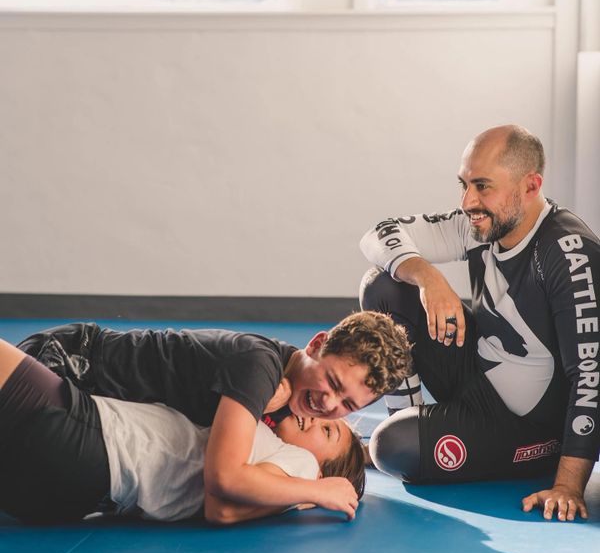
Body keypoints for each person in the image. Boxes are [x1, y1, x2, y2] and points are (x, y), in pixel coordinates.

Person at [360, 124, 600, 523]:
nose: (468, 200)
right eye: (464, 184)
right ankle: (411, 418)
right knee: (385, 283)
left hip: (527, 426)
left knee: (392, 447)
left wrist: (568, 485)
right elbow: (376, 236)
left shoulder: (568, 253)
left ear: (530, 185)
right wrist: (428, 276)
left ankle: (415, 436)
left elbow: (591, 375)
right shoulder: (481, 223)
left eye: (483, 186)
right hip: (475, 372)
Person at [14, 312, 411, 521]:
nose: (329, 404)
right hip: (70, 363)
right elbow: (224, 478)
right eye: (332, 381)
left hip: (92, 418)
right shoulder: (259, 367)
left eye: (349, 405)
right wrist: (318, 491)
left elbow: (327, 446)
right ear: (317, 344)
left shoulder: (289, 398)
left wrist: (362, 458)